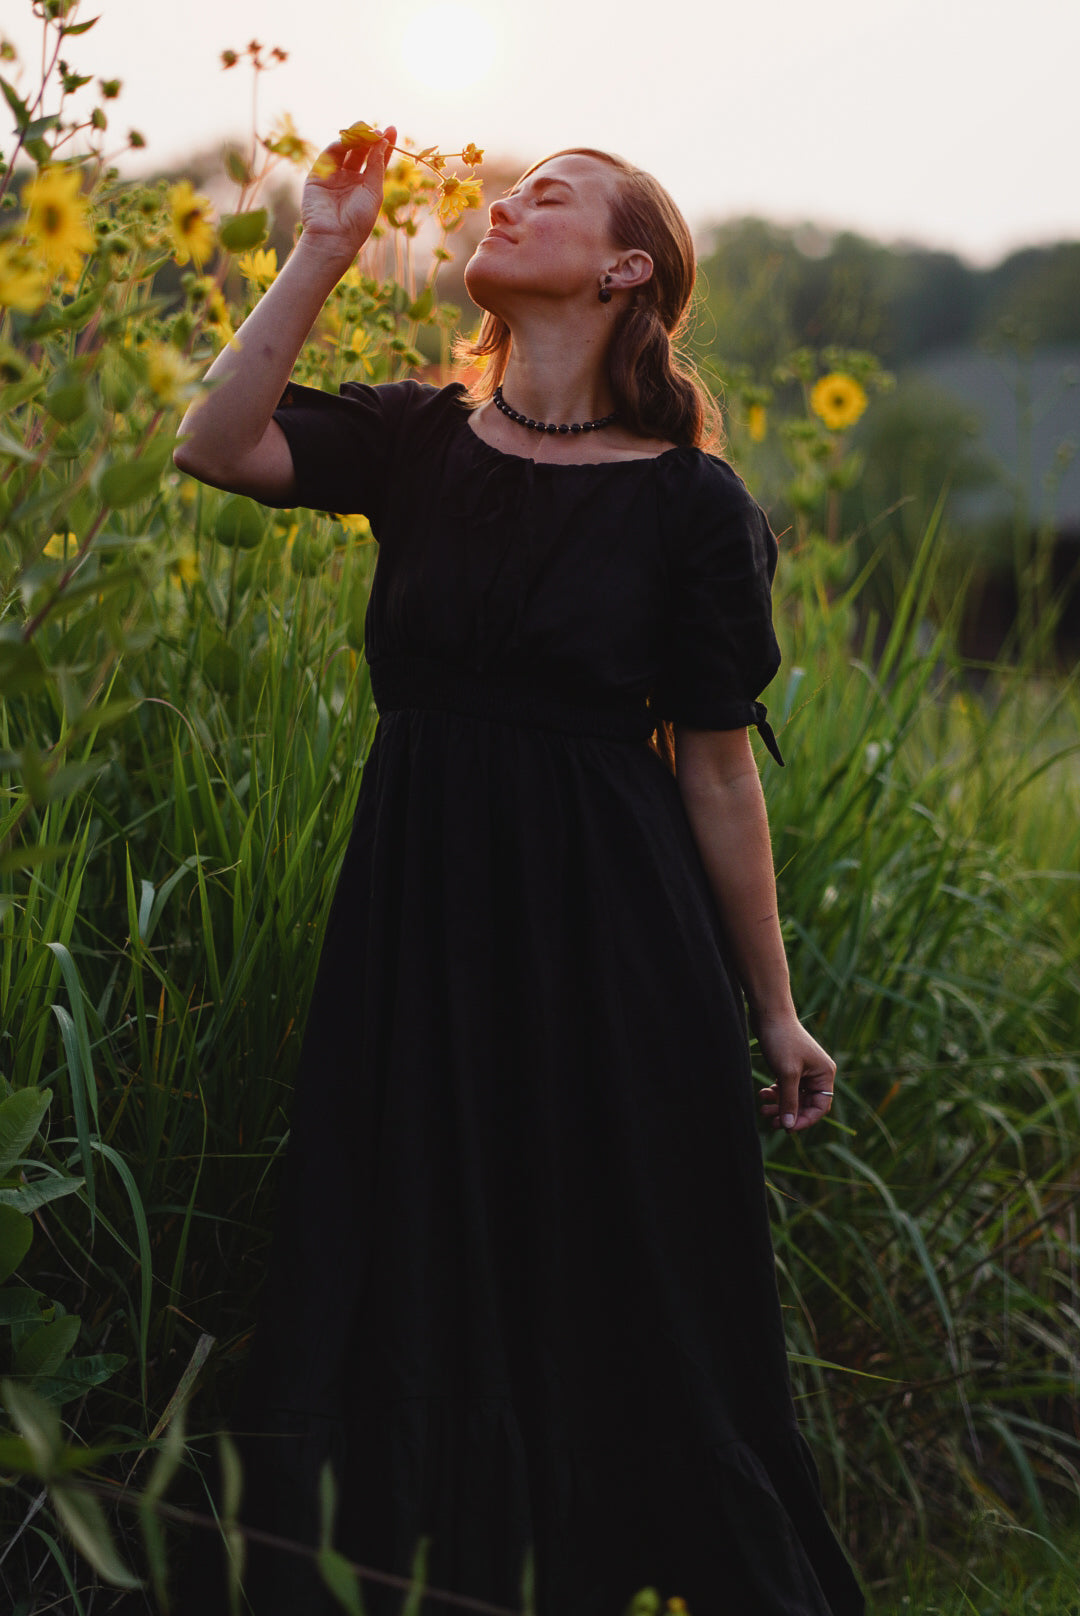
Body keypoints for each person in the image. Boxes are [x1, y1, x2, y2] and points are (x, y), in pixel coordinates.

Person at [172, 125, 866, 1616]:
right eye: (509, 188)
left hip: (613, 935)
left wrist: (775, 1011)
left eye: (550, 193)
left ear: (628, 271)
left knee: (609, 1263)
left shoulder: (693, 505)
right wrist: (325, 246)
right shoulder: (423, 439)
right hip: (420, 916)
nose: (507, 202)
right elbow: (215, 443)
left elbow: (720, 768)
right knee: (408, 1225)